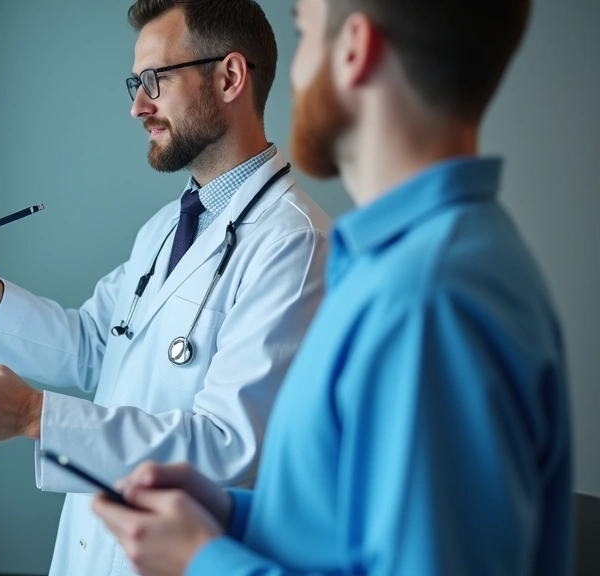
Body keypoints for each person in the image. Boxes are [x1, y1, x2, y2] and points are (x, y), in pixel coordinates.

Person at [91, 0, 573, 574]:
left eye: (304, 33)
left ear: (354, 49)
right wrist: (226, 515)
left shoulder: (425, 301)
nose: (290, 74)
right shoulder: (403, 265)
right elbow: (357, 532)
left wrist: (203, 560)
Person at [0, 1, 331, 574]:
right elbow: (94, 346)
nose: (137, 106)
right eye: (137, 83)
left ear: (230, 76)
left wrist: (36, 416)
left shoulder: (292, 242)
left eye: (155, 80)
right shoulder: (168, 226)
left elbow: (227, 451)